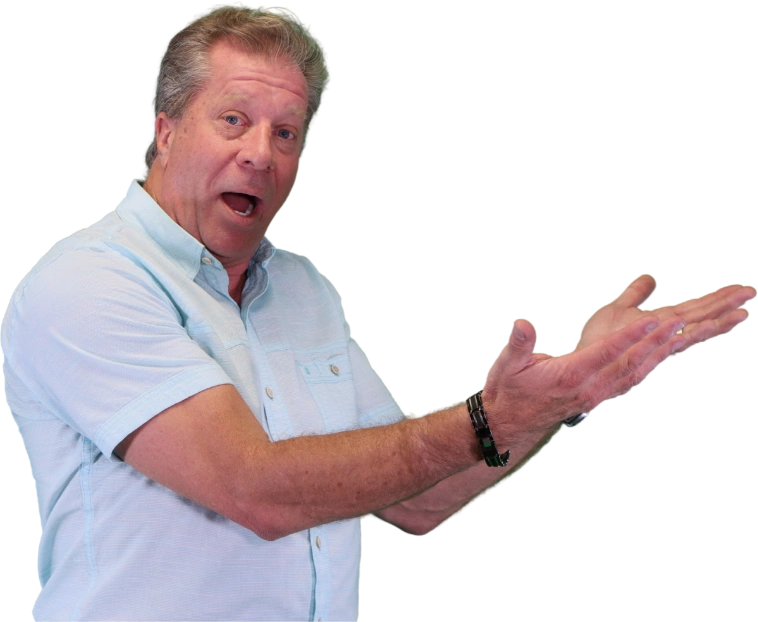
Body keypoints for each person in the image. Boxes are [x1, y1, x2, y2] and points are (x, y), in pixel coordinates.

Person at [2, 3, 754, 621]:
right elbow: (255, 490)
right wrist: (488, 418)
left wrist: (563, 393)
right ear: (165, 131)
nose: (262, 153)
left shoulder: (302, 287)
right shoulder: (87, 283)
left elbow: (416, 499)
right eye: (233, 120)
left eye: (285, 132)